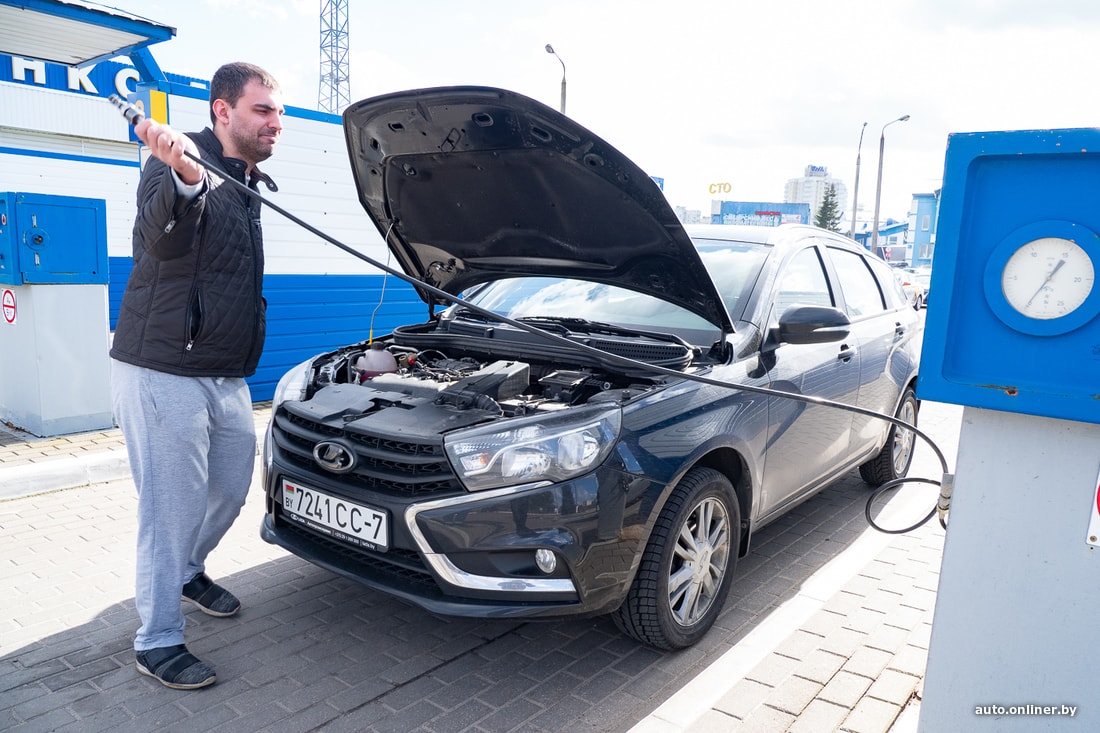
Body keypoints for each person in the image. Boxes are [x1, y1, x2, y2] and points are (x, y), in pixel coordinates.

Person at [109, 62, 284, 690]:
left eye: (278, 112)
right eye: (262, 110)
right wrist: (185, 176)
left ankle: (187, 571)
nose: (275, 123)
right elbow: (158, 239)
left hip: (225, 371)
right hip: (162, 366)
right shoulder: (177, 161)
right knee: (171, 507)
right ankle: (157, 638)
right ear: (222, 110)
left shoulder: (247, 182)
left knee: (231, 488)